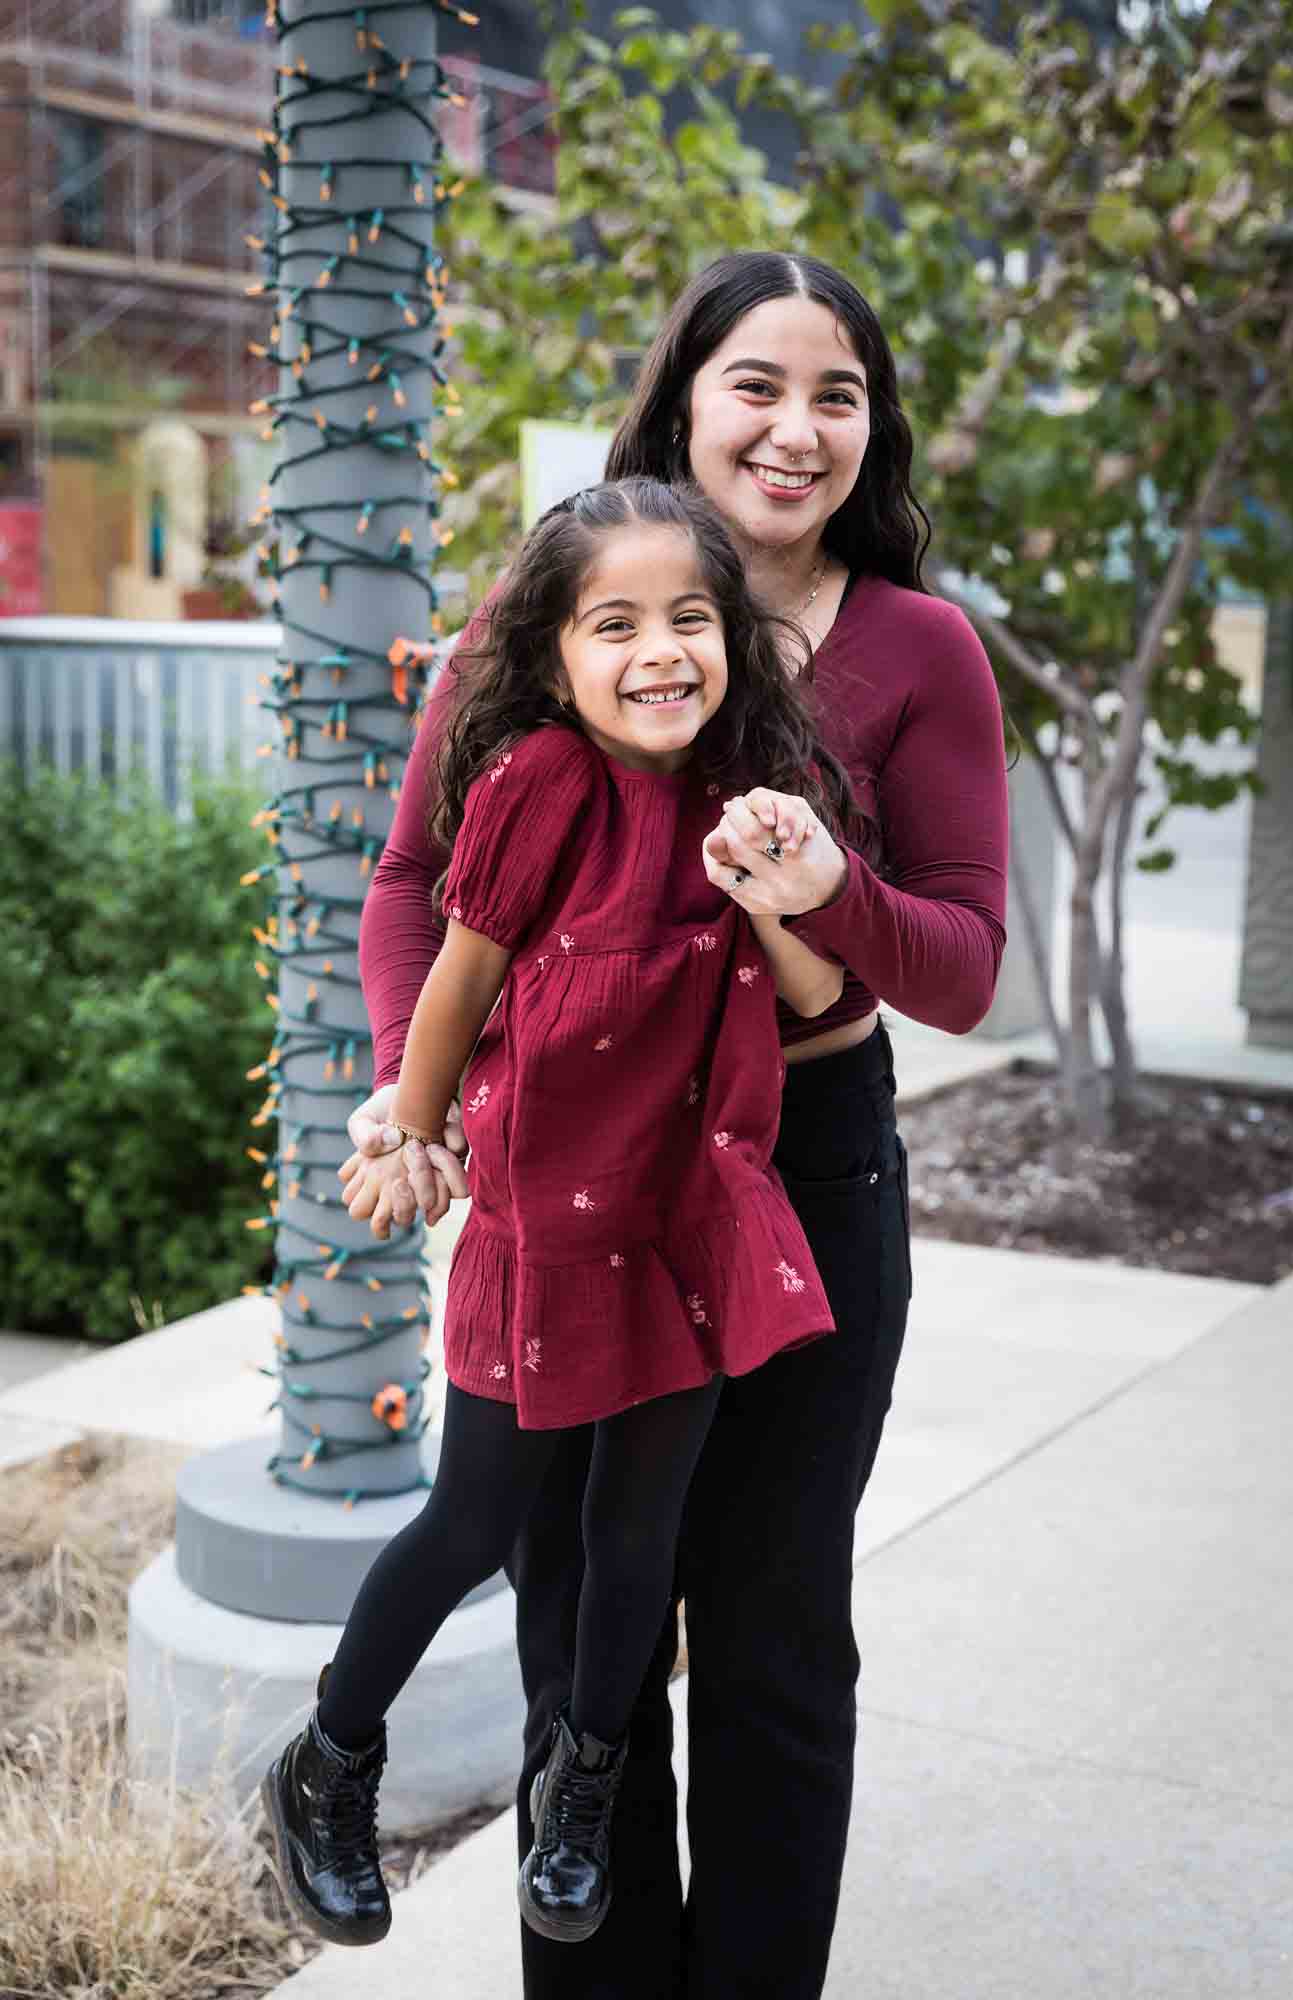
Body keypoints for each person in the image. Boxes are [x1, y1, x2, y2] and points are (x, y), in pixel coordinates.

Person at [343, 252, 1009, 1998]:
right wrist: (431, 1096)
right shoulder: (548, 612)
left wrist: (825, 887)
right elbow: (419, 886)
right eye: (757, 385)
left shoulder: (917, 647)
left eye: (838, 394)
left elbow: (957, 966)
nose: (796, 431)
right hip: (575, 1172)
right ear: (684, 398)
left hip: (804, 1165)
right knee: (584, 1622)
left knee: (777, 1627)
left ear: (873, 425)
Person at [262, 474, 867, 1950]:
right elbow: (461, 969)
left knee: (637, 1536)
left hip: (692, 1212)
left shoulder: (745, 794)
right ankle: (328, 1757)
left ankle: (578, 1791)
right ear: (550, 657)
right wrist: (409, 1125)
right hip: (547, 1216)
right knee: (477, 1514)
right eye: (616, 624)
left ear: (730, 638)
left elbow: (813, 999)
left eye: (691, 618)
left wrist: (784, 895)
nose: (660, 649)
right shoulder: (538, 782)